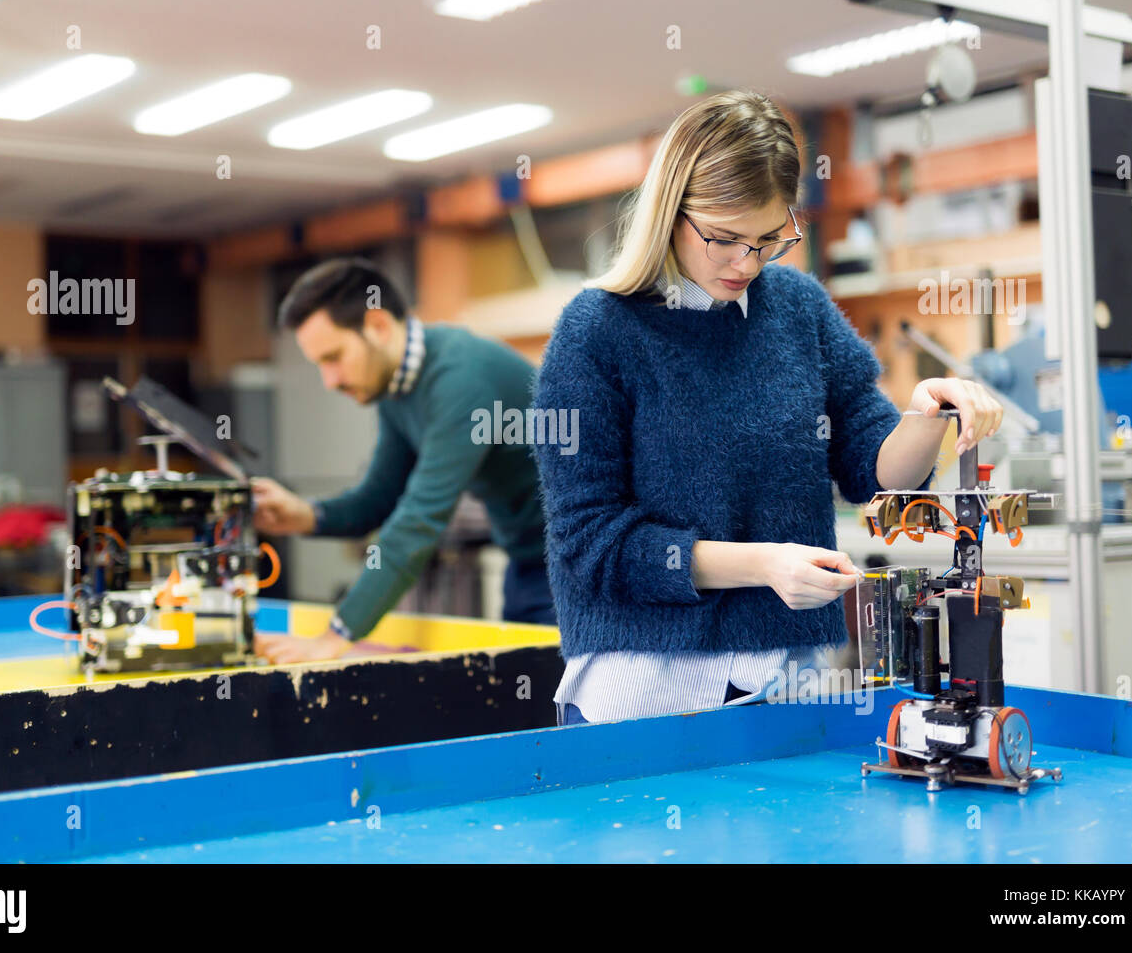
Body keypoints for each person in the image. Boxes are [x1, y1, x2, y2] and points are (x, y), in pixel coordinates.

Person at [531, 90, 1003, 725]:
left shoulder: (797, 309)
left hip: (780, 677)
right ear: (670, 211)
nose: (745, 263)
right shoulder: (596, 331)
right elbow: (589, 544)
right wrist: (762, 565)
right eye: (724, 238)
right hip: (641, 688)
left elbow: (875, 467)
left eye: (768, 239)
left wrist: (925, 416)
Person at [251, 258, 556, 663]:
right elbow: (378, 499)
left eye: (334, 357)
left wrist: (332, 639)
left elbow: (417, 522)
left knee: (562, 707)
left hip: (582, 567)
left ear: (377, 326)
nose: (330, 381)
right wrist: (303, 515)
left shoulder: (458, 377)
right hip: (528, 563)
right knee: (530, 695)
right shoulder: (398, 389)